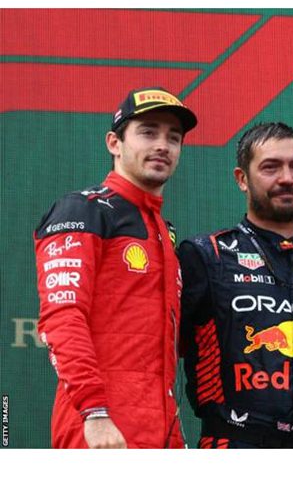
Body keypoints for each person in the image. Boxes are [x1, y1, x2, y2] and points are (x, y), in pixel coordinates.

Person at [34, 87, 197, 448]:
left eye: (173, 138)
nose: (162, 145)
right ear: (114, 143)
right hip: (100, 431)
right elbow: (63, 318)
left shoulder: (163, 232)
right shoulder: (82, 210)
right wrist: (94, 413)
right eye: (148, 132)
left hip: (160, 432)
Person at [178, 122, 293, 448]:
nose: (287, 178)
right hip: (234, 443)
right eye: (270, 167)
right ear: (241, 179)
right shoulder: (206, 255)